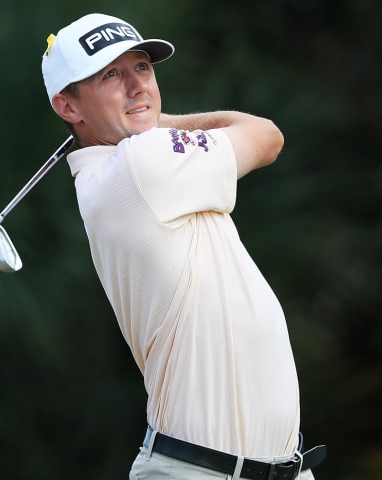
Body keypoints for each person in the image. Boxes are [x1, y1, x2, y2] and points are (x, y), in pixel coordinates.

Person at [41, 13, 325, 480]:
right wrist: (159, 122)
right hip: (201, 472)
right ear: (68, 107)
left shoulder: (127, 166)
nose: (137, 85)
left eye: (142, 68)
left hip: (278, 469)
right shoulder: (142, 163)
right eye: (111, 74)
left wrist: (145, 120)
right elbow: (266, 135)